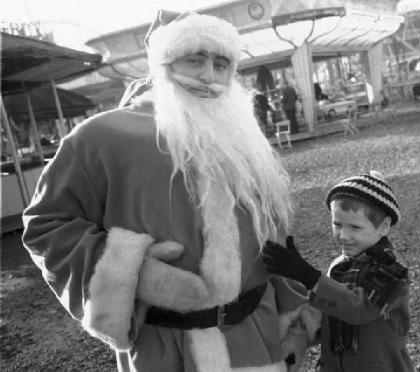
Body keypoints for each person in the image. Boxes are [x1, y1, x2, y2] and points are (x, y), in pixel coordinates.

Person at [21, 11, 319, 372]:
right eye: (194, 59)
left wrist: (295, 317)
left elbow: (275, 238)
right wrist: (133, 272)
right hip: (164, 349)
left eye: (221, 63)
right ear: (163, 63)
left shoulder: (245, 141)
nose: (209, 75)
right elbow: (47, 225)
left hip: (257, 340)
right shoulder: (102, 136)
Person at [262, 171, 414, 371]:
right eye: (337, 224)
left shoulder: (393, 273)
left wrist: (306, 274)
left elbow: (358, 309)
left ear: (384, 226)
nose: (343, 235)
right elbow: (328, 310)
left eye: (355, 227)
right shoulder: (340, 265)